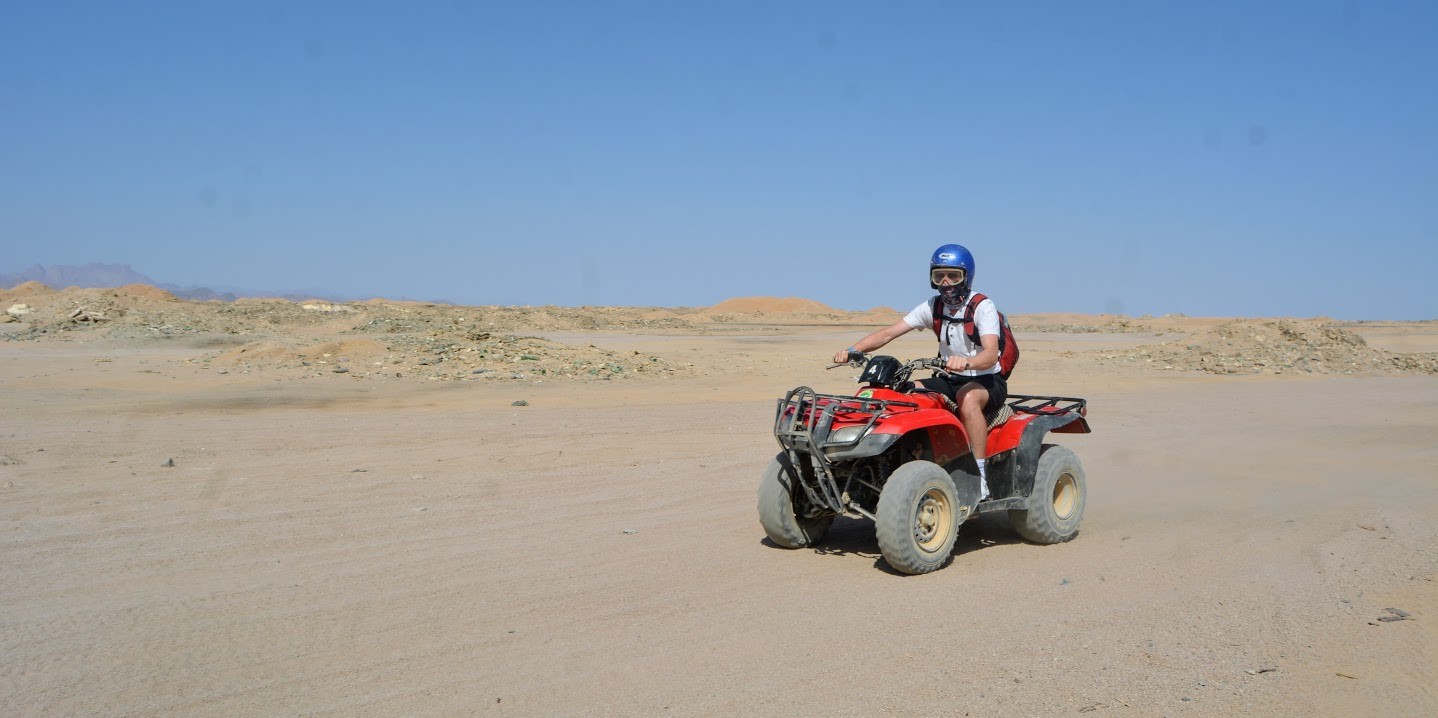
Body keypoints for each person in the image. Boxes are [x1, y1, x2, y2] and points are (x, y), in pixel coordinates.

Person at [831, 243, 1007, 499]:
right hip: (949, 378)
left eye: (953, 276)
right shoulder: (933, 306)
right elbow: (889, 332)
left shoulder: (982, 306)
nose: (946, 283)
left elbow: (991, 353)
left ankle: (979, 477)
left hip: (986, 380)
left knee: (968, 401)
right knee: (906, 393)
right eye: (939, 276)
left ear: (966, 277)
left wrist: (966, 362)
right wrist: (852, 350)